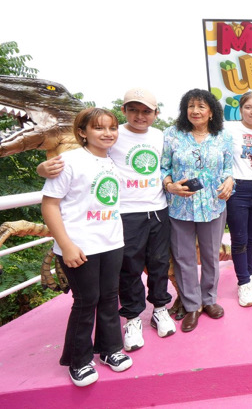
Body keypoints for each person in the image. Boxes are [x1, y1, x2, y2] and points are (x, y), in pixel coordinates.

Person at [38, 88, 177, 351]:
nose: (140, 116)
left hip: (158, 208)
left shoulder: (161, 136)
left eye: (146, 111)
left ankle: (160, 308)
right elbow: (79, 155)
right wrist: (42, 168)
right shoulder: (113, 134)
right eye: (133, 110)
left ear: (156, 113)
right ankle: (132, 318)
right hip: (125, 212)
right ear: (124, 111)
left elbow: (169, 165)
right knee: (129, 268)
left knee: (159, 263)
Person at [41, 108, 132, 387]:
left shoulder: (113, 159)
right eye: (99, 128)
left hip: (111, 241)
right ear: (82, 132)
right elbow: (49, 205)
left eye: (112, 128)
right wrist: (66, 245)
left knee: (109, 296)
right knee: (86, 300)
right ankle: (79, 361)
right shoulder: (69, 161)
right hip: (79, 245)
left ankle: (110, 349)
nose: (108, 133)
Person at [161, 89, 234, 333]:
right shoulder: (171, 134)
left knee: (211, 255)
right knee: (184, 257)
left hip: (213, 205)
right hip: (180, 206)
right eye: (191, 106)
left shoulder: (223, 136)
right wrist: (170, 185)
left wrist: (229, 180)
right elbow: (163, 168)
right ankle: (192, 305)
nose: (195, 111)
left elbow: (228, 168)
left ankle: (209, 299)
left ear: (211, 112)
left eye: (201, 106)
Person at [224, 91, 252, 307]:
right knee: (239, 239)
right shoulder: (229, 128)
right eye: (248, 107)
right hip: (238, 189)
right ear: (240, 110)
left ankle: (249, 274)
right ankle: (242, 283)